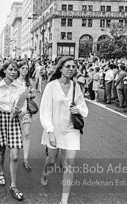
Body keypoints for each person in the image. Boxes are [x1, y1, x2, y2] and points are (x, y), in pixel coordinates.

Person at [40, 56, 88, 204]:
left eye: (73, 66)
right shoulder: (51, 86)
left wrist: (77, 109)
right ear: (60, 68)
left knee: (70, 163)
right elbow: (45, 111)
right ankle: (45, 173)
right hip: (54, 129)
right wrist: (50, 131)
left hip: (71, 130)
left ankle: (64, 200)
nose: (71, 69)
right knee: (52, 160)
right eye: (67, 66)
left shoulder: (76, 86)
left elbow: (83, 107)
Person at [0, 60, 25, 201]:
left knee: (14, 156)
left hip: (13, 121)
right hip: (0, 119)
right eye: (11, 69)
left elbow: (24, 106)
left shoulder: (20, 87)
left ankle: (13, 185)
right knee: (1, 150)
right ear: (4, 70)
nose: (13, 72)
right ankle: (1, 172)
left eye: (15, 70)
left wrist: (20, 111)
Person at [16, 60, 35, 172]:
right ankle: (14, 156)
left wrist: (30, 95)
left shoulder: (29, 82)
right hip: (15, 111)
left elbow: (33, 94)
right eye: (22, 68)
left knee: (26, 134)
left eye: (26, 68)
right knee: (17, 134)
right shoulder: (14, 81)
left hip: (26, 111)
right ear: (18, 69)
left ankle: (25, 159)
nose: (24, 70)